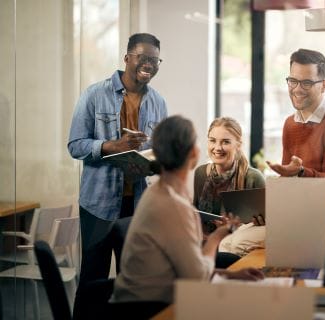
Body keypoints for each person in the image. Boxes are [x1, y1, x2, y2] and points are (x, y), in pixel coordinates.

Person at [111, 115, 264, 317]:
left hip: (140, 299)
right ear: (194, 152)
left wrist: (229, 274)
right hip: (147, 309)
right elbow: (196, 279)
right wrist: (218, 236)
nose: (217, 147)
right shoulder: (174, 205)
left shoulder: (158, 192)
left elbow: (184, 270)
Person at [67, 33, 167, 317]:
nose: (148, 64)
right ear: (127, 58)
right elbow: (75, 146)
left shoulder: (159, 102)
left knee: (132, 283)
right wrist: (113, 147)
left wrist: (157, 162)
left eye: (154, 59)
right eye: (142, 57)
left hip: (136, 206)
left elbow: (159, 153)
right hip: (97, 205)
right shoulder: (94, 94)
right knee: (92, 281)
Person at [267, 48, 325, 178]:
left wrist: (300, 172)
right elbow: (287, 178)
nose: (297, 89)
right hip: (298, 198)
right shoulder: (290, 123)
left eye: (307, 83)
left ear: (324, 86)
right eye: (293, 81)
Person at [193, 117, 266, 257]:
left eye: (225, 142)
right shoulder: (200, 173)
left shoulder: (253, 178)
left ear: (238, 145)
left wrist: (239, 227)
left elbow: (265, 227)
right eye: (212, 140)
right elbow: (195, 213)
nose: (217, 148)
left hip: (235, 249)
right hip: (204, 243)